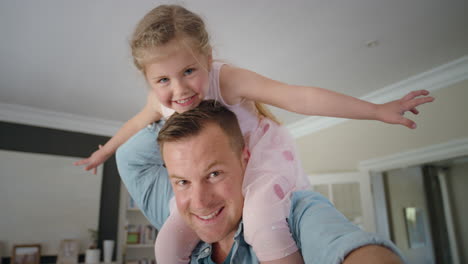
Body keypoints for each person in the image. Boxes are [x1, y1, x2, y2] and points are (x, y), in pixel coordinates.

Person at [75, 4, 433, 263]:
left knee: (262, 219)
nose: (180, 89)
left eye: (188, 70)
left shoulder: (225, 79)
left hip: (260, 157)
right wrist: (102, 153)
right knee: (167, 244)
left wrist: (375, 110)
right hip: (219, 168)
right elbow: (133, 127)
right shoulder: (158, 100)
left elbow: (298, 97)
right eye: (164, 79)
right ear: (149, 81)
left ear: (207, 57)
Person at [116, 100, 405, 263]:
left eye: (214, 174)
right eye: (182, 182)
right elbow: (127, 157)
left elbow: (359, 253)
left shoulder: (295, 213)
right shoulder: (178, 220)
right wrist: (167, 105)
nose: (200, 202)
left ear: (246, 158)